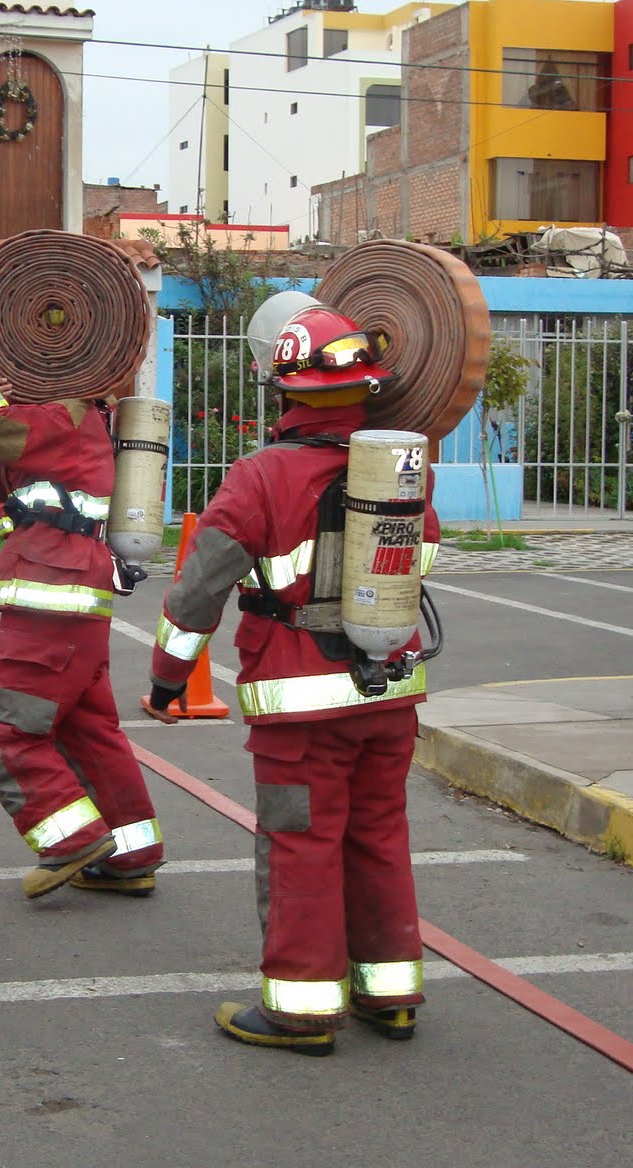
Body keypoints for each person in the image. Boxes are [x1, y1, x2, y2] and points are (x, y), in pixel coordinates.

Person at [144, 294, 440, 1055]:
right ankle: (392, 993)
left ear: (285, 394)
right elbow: (421, 563)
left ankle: (303, 1010)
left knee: (302, 842)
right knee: (379, 834)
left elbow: (196, 593)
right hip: (390, 693)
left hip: (300, 705)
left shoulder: (260, 477)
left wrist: (168, 680)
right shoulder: (403, 475)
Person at [0, 317, 165, 900]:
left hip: (51, 593)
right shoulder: (55, 420)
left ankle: (69, 840)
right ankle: (131, 852)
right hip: (69, 596)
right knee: (88, 730)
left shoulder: (63, 414)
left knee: (5, 727)